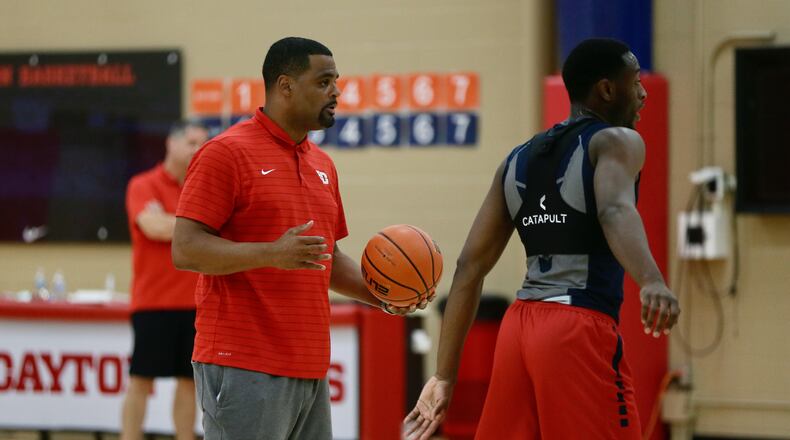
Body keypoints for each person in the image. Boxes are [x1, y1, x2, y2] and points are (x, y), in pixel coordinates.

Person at [404, 38, 681, 439]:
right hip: (576, 328)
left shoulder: (516, 158)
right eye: (635, 81)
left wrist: (444, 375)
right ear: (606, 89)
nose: (642, 93)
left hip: (518, 330)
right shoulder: (617, 140)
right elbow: (614, 209)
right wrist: (652, 279)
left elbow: (470, 266)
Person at [171, 37, 427, 440]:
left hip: (310, 366)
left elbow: (326, 258)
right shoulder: (225, 153)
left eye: (336, 81)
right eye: (324, 81)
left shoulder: (322, 164)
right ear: (285, 86)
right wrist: (272, 253)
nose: (336, 91)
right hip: (243, 361)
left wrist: (388, 297)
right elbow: (185, 249)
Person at [121, 120, 209, 440]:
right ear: (170, 144)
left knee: (190, 381)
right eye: (191, 142)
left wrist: (174, 222)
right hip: (153, 303)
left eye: (203, 142)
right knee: (141, 380)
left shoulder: (203, 188)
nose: (198, 149)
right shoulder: (143, 184)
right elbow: (152, 227)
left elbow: (174, 227)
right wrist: (198, 226)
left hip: (197, 303)